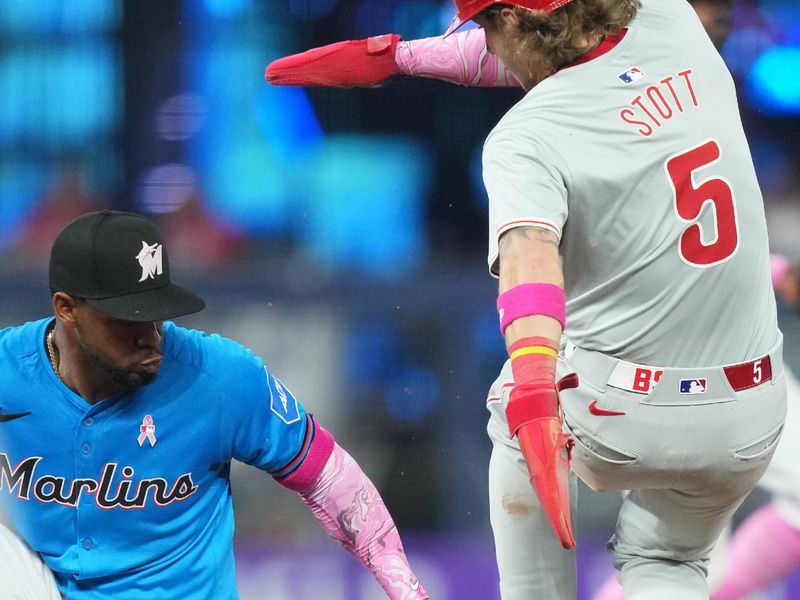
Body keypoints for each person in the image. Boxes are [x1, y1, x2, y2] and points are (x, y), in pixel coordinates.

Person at [267, 1, 787, 599]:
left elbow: (530, 258)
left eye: (487, 25)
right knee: (667, 560)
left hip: (631, 413)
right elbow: (556, 46)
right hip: (749, 416)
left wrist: (539, 392)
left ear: (512, 21)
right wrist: (402, 57)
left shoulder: (526, 134)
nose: (485, 45)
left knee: (516, 393)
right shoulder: (670, 20)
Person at [0, 209, 428, 599]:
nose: (150, 335)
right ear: (67, 309)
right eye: (127, 319)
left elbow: (328, 476)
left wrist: (404, 587)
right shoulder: (8, 371)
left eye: (155, 313)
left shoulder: (218, 375)